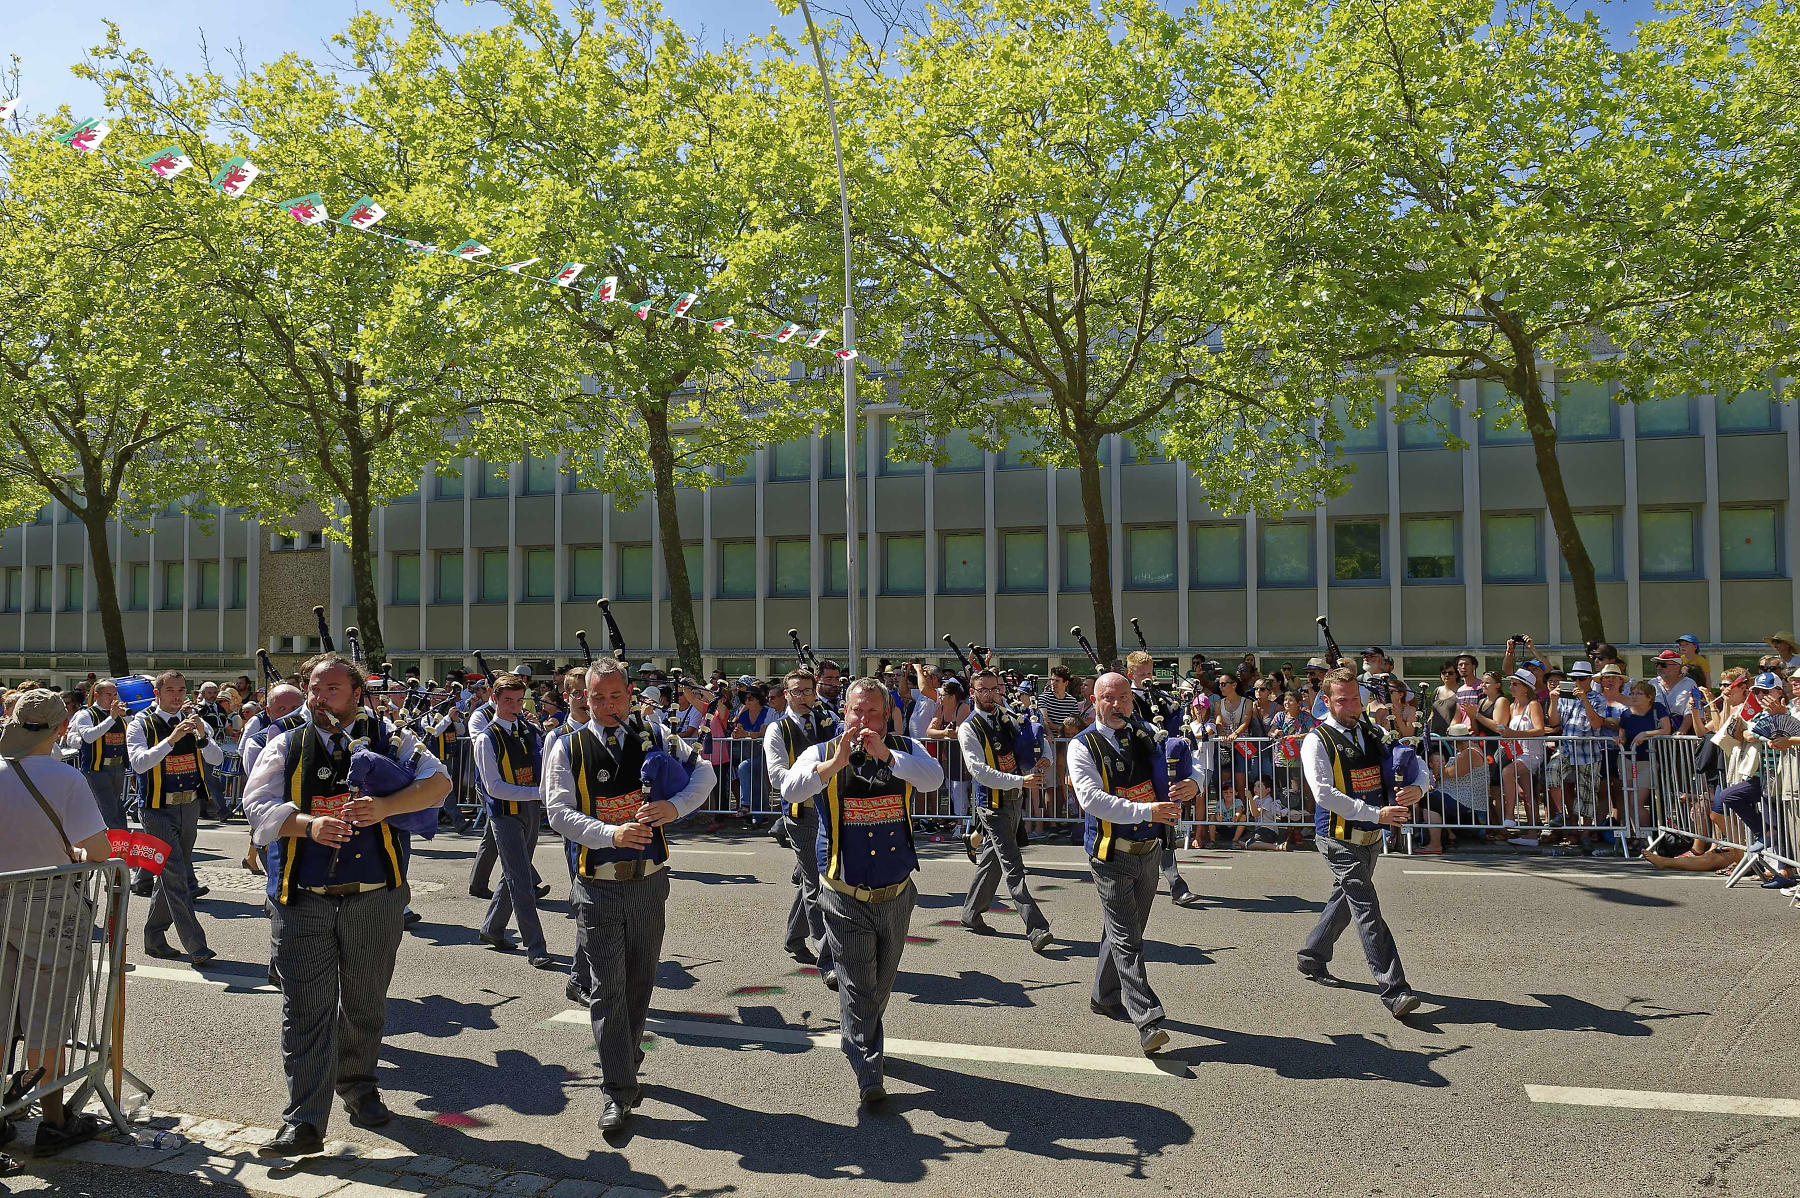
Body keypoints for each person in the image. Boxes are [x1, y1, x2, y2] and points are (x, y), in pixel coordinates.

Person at [241, 653, 451, 1157]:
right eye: (314, 687)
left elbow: (440, 783)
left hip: (375, 896)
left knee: (363, 1002)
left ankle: (358, 1086)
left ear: (357, 693)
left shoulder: (392, 738)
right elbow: (256, 806)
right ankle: (304, 1119)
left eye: (332, 688)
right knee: (306, 1007)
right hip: (302, 896)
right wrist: (307, 824)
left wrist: (384, 807)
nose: (319, 696)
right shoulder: (286, 741)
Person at [544, 659, 717, 1133]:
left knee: (639, 985)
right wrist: (609, 834)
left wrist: (674, 807)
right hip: (597, 885)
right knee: (607, 989)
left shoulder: (657, 735)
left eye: (613, 697)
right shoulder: (567, 746)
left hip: (649, 883)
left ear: (629, 692)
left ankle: (626, 1055)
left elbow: (705, 775)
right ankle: (617, 1090)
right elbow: (557, 811)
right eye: (594, 697)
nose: (603, 706)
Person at [780, 678, 944, 1105]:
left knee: (881, 982)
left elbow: (933, 780)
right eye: (857, 711)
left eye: (873, 712)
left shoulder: (906, 748)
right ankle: (869, 1070)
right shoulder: (821, 752)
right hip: (843, 890)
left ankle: (859, 1035)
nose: (864, 719)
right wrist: (833, 765)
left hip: (897, 890)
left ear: (887, 714)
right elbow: (789, 790)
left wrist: (887, 756)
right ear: (844, 712)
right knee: (858, 985)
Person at [0, 690, 117, 1160]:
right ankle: (52, 1118)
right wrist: (76, 856)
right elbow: (101, 851)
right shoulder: (66, 778)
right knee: (48, 1015)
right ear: (61, 729)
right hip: (46, 902)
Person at [1066, 673, 1194, 1056]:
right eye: (1109, 697)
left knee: (1124, 929)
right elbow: (1092, 799)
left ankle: (1104, 996)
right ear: (1094, 700)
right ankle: (1148, 1018)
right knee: (1128, 938)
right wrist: (1146, 809)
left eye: (1124, 697)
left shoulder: (1145, 735)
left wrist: (1194, 784)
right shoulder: (1081, 745)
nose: (1118, 704)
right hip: (1110, 853)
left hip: (1149, 850)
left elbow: (1183, 759)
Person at [1295, 668, 1427, 1021]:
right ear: (1326, 701)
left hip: (1371, 837)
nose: (1352, 705)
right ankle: (1395, 990)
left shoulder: (1371, 732)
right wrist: (1375, 813)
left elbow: (1412, 761)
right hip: (1338, 838)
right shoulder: (1316, 741)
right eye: (1343, 700)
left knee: (1346, 897)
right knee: (1366, 907)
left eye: (1356, 698)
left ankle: (1312, 955)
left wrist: (1420, 787)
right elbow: (1324, 794)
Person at [125, 671, 221, 965]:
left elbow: (217, 760)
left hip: (189, 806)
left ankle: (154, 937)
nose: (177, 696)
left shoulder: (196, 723)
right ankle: (197, 945)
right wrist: (171, 739)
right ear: (157, 692)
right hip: (156, 809)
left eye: (181, 690)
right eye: (170, 690)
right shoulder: (140, 723)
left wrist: (203, 737)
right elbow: (140, 764)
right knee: (176, 874)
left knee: (168, 876)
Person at [958, 669, 1055, 952]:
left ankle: (970, 914)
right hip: (992, 805)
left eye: (994, 688)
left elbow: (1038, 738)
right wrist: (1020, 780)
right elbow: (979, 771)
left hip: (1014, 799)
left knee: (992, 860)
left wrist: (1046, 757)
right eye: (983, 689)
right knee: (1013, 866)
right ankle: (1037, 928)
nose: (990, 694)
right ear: (973, 692)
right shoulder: (969, 728)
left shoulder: (1007, 715)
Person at [764, 669, 841, 990]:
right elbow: (778, 777)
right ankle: (829, 958)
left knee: (813, 877)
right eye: (797, 691)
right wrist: (814, 777)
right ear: (786, 695)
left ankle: (794, 937)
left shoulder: (827, 721)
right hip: (800, 814)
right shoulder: (776, 730)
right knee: (816, 883)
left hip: (829, 811)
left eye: (809, 690)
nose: (804, 696)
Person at [474, 673, 554, 969]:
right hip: (505, 813)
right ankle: (536, 947)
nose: (515, 706)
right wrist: (538, 792)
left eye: (519, 700)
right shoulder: (486, 738)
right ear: (493, 699)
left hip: (530, 809)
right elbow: (493, 787)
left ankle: (492, 929)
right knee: (521, 880)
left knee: (515, 874)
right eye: (508, 700)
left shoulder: (529, 730)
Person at [63, 678, 131, 831]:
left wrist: (126, 716)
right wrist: (111, 718)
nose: (113, 699)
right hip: (96, 768)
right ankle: (116, 838)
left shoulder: (118, 714)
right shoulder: (85, 715)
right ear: (96, 695)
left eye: (115, 695)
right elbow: (89, 737)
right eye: (108, 695)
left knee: (115, 803)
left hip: (118, 766)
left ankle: (120, 839)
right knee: (108, 805)